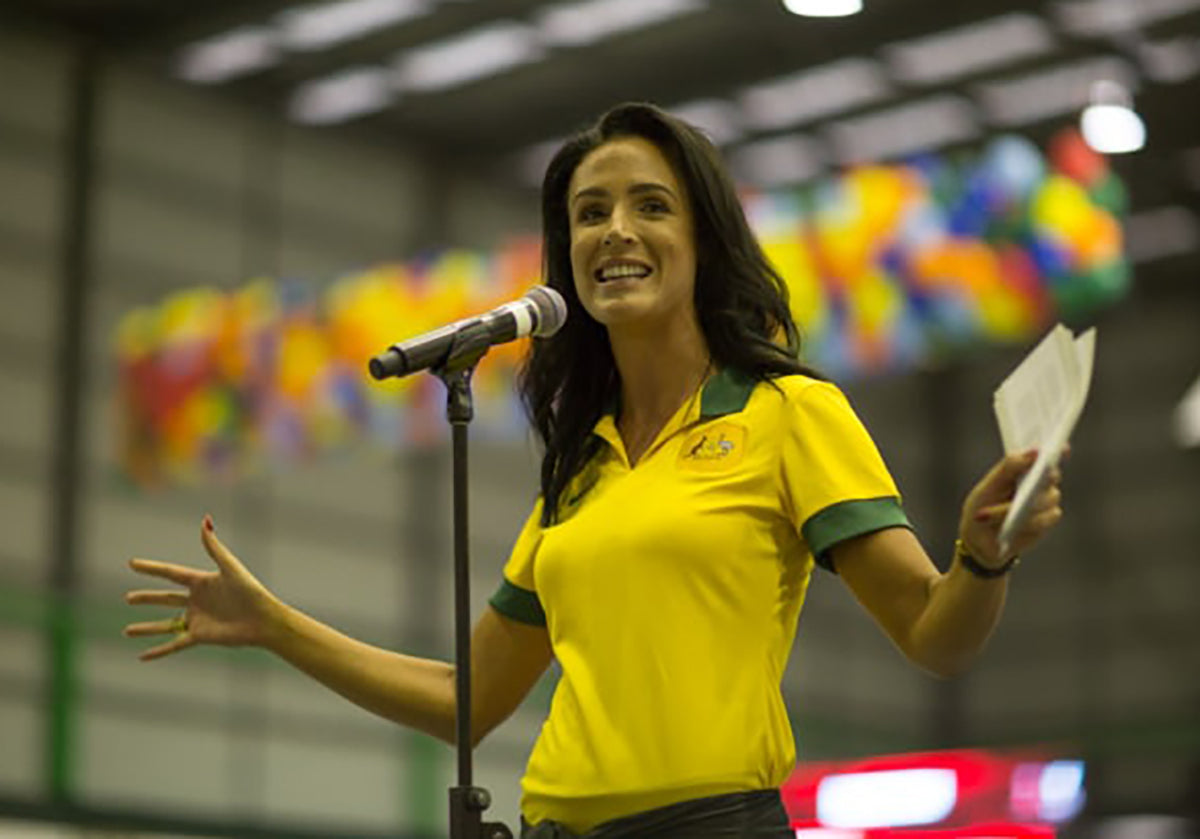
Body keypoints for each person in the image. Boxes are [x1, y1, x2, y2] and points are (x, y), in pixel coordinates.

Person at [124, 103, 1065, 838]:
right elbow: (471, 700)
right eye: (589, 213)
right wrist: (276, 626)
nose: (615, 230)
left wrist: (982, 559)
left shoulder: (789, 412)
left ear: (704, 242)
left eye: (651, 206)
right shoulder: (578, 472)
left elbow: (936, 637)